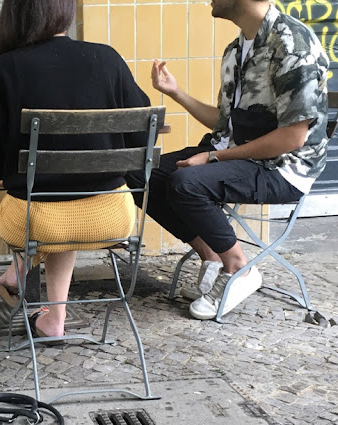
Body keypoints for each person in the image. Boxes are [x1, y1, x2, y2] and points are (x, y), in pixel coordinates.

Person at [125, 0, 329, 320]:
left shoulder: (292, 44)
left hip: (282, 166)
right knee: (138, 170)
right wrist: (176, 92)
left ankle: (240, 268)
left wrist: (213, 157)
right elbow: (225, 124)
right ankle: (214, 256)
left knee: (186, 183)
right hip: (236, 152)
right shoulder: (236, 49)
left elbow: (293, 138)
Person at [0, 0, 151, 340]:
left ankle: (16, 273)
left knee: (47, 205)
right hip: (113, 215)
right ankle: (54, 317)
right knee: (65, 197)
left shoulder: (7, 69)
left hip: (34, 220)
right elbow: (141, 136)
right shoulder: (107, 58)